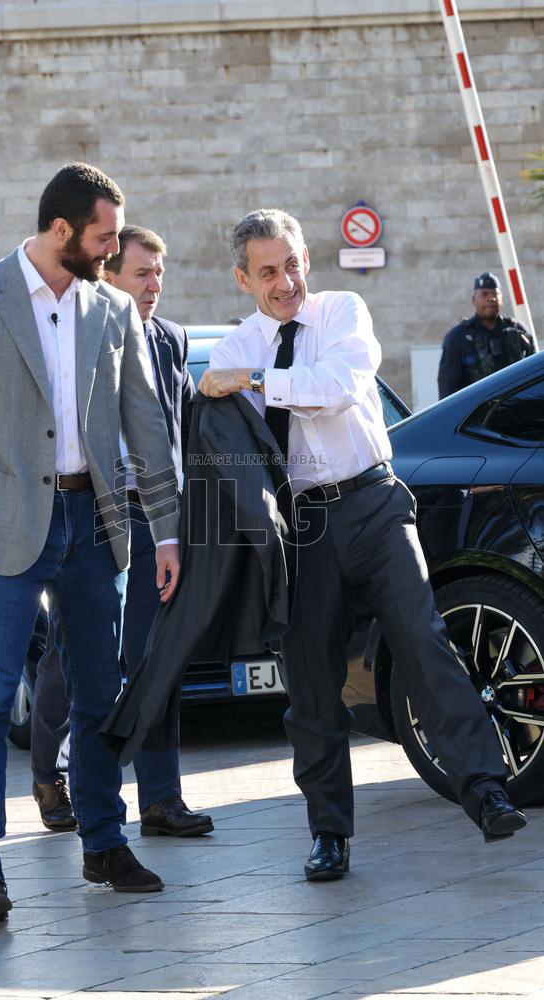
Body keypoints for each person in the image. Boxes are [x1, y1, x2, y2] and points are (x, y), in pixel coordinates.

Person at [198, 209, 526, 882]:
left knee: (421, 636)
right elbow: (222, 438)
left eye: (292, 264)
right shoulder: (235, 348)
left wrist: (258, 383)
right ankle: (328, 834)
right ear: (242, 279)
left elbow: (340, 388)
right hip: (304, 526)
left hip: (374, 503)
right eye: (267, 271)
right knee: (312, 678)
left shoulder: (343, 311)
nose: (285, 281)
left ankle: (485, 789)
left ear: (307, 259)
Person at [0, 163, 181, 923]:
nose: (111, 250)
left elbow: (147, 427)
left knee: (101, 693)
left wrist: (165, 529)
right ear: (61, 230)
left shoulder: (110, 310)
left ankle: (104, 840)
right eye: (102, 238)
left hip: (94, 524)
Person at [31, 225, 213, 838]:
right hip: (93, 515)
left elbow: (182, 428)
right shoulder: (81, 330)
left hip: (155, 516)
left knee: (153, 655)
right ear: (109, 275)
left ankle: (161, 799)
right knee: (79, 658)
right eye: (142, 272)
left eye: (160, 272)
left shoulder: (171, 338)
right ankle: (48, 774)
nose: (154, 284)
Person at [438, 272, 535, 398]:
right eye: (484, 294)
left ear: (502, 298)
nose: (491, 298)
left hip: (517, 408)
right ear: (474, 300)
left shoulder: (518, 331)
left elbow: (535, 372)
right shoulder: (457, 337)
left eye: (495, 294)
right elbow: (447, 388)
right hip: (479, 413)